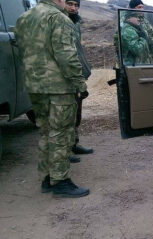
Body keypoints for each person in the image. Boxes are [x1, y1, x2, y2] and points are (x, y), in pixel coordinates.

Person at [15, 0, 90, 197]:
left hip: (34, 85)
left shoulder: (24, 18)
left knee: (46, 131)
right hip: (58, 87)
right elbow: (66, 55)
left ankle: (47, 178)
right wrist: (79, 83)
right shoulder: (58, 18)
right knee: (61, 133)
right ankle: (60, 181)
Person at [64, 0, 94, 164]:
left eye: (76, 5)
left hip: (78, 73)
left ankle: (73, 144)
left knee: (76, 112)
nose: (73, 8)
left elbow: (77, 49)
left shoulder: (74, 22)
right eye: (70, 4)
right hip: (67, 76)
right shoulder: (60, 21)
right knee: (66, 115)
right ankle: (64, 150)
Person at [114, 0, 153, 65]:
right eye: (139, 7)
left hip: (145, 56)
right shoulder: (126, 20)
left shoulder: (143, 20)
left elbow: (150, 34)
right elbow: (128, 41)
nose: (142, 9)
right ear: (132, 8)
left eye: (142, 7)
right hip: (130, 60)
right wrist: (144, 37)